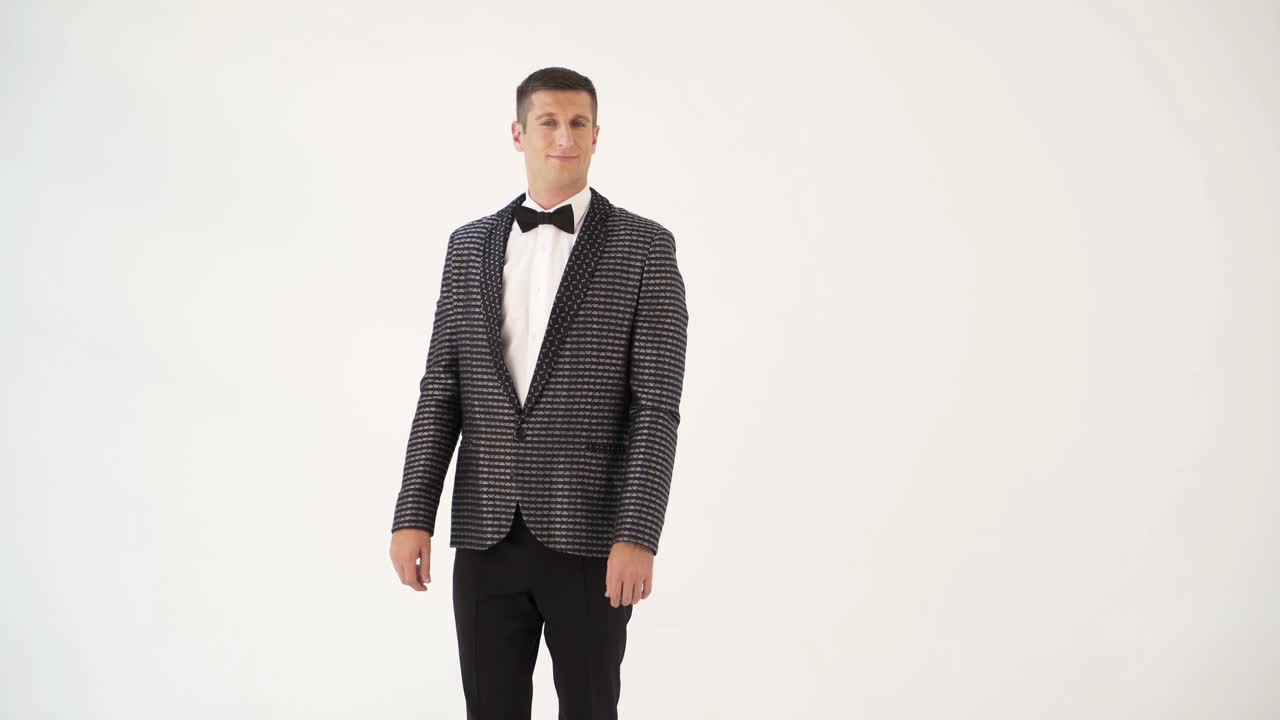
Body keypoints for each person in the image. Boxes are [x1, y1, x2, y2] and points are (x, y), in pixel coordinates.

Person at [388, 66, 689, 719]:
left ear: (596, 135)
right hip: (485, 532)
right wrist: (413, 514)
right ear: (518, 133)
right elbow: (441, 389)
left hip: (591, 537)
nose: (564, 136)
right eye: (548, 122)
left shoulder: (645, 248)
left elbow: (656, 408)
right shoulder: (468, 247)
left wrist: (637, 532)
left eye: (578, 123)